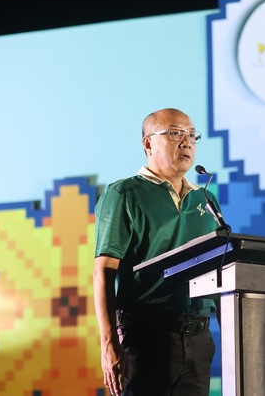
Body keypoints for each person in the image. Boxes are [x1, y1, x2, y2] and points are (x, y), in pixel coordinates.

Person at [93, 108, 223, 396]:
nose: (187, 142)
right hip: (147, 336)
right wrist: (108, 343)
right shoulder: (124, 194)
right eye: (175, 133)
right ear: (148, 143)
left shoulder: (205, 198)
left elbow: (220, 268)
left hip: (200, 338)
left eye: (192, 135)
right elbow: (104, 271)